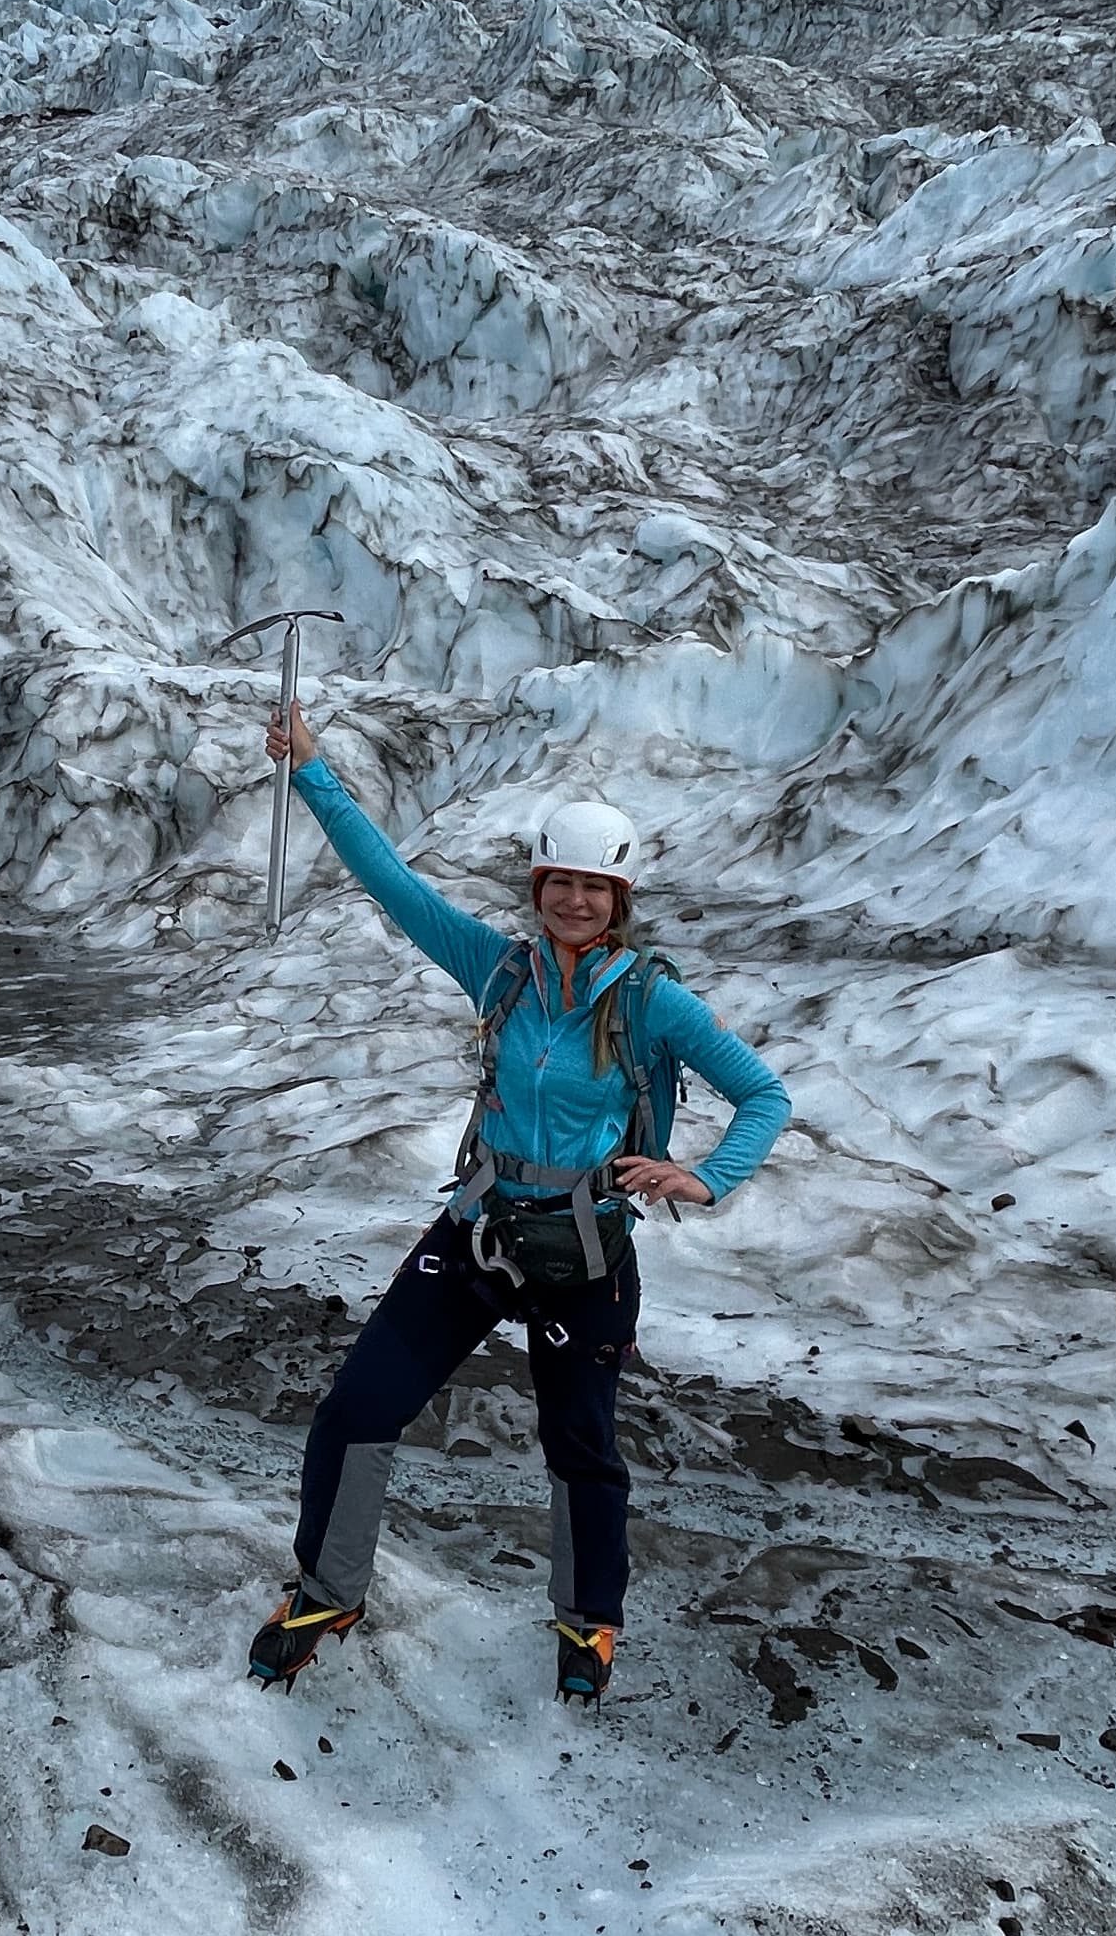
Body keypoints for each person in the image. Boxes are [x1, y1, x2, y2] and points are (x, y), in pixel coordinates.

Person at [245, 707, 790, 1707]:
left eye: (595, 886)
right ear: (537, 887)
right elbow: (393, 884)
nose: (575, 900)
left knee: (581, 1445)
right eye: (560, 882)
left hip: (587, 1251)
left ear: (620, 897)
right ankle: (329, 1594)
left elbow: (764, 1095)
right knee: (357, 1408)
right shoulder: (500, 972)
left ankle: (589, 1623)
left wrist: (704, 1177)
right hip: (482, 1230)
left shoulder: (653, 1004)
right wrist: (315, 771)